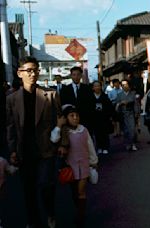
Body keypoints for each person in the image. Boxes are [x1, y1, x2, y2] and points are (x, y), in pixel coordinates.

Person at [6, 56, 66, 228]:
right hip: (24, 150)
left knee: (47, 186)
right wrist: (12, 150)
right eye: (29, 70)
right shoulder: (12, 99)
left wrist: (63, 143)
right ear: (20, 73)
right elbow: (10, 127)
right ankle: (33, 221)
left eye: (36, 70)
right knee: (28, 189)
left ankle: (50, 212)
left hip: (46, 148)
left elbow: (61, 120)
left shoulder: (50, 94)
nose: (33, 74)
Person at [50, 105, 98, 228]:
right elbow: (54, 139)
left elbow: (90, 146)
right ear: (66, 118)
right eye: (71, 116)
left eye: (77, 115)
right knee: (74, 192)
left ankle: (80, 217)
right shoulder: (64, 131)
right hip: (71, 167)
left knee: (81, 191)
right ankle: (79, 209)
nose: (75, 118)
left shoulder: (83, 130)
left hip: (84, 165)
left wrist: (94, 161)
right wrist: (59, 125)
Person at [60, 66, 95, 132]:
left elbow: (92, 104)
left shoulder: (87, 89)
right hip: (70, 121)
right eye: (74, 75)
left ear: (81, 75)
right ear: (71, 76)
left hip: (86, 120)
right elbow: (62, 104)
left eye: (78, 74)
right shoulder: (65, 89)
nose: (76, 77)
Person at [115, 79, 140, 151]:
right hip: (123, 114)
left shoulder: (133, 94)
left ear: (128, 85)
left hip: (131, 113)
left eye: (126, 84)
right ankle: (128, 144)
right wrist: (120, 104)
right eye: (122, 85)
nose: (124, 86)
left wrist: (136, 113)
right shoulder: (119, 95)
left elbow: (136, 104)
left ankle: (133, 144)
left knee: (132, 130)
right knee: (125, 131)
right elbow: (116, 105)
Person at [91, 81, 114, 154]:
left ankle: (105, 147)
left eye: (98, 86)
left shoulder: (105, 96)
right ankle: (99, 147)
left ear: (101, 87)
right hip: (95, 118)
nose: (97, 87)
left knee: (104, 133)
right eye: (95, 86)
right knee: (97, 134)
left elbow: (109, 107)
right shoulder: (91, 97)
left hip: (104, 118)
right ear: (93, 88)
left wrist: (110, 116)